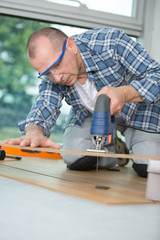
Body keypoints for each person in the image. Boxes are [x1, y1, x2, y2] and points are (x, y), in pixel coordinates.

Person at [4, 27, 160, 177]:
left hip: (141, 113)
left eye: (57, 65)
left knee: (148, 165)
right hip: (92, 116)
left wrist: (125, 93)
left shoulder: (111, 42)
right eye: (48, 73)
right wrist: (34, 132)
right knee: (77, 157)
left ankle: (137, 146)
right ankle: (113, 147)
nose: (57, 78)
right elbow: (45, 103)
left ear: (71, 46)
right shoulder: (54, 74)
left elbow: (157, 75)